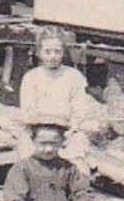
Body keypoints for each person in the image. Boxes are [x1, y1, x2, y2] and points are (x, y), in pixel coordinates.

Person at [14, 26, 102, 168]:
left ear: (63, 52)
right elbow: (28, 111)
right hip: (39, 131)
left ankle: (76, 186)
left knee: (77, 154)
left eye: (57, 51)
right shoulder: (31, 77)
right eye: (47, 52)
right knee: (27, 154)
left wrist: (72, 129)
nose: (52, 56)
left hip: (67, 132)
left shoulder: (74, 77)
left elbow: (79, 109)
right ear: (39, 53)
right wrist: (37, 131)